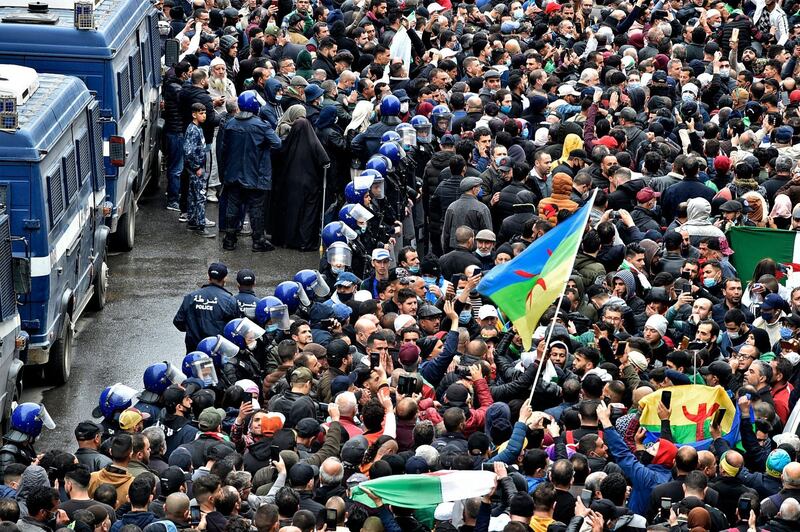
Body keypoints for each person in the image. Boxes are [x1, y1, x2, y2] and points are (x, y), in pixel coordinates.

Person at [219, 90, 282, 252]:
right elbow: (277, 143)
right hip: (255, 174)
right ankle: (258, 240)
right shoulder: (261, 125)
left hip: (233, 174)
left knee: (233, 206)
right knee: (256, 208)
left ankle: (230, 239)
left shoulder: (230, 124)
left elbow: (223, 149)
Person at [271, 113, 331, 251]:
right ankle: (305, 242)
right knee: (308, 214)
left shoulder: (288, 142)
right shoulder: (313, 142)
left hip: (290, 184)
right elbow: (325, 160)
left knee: (290, 212)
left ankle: (288, 240)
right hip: (310, 184)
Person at [173, 263, 240, 353]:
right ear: (225, 278)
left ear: (208, 276)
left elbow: (178, 322)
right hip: (218, 352)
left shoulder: (191, 297)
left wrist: (192, 328)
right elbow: (235, 328)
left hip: (194, 353)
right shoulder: (229, 300)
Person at [183, 102, 215, 238]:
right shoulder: (192, 130)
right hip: (196, 169)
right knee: (200, 197)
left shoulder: (198, 129)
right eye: (201, 113)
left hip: (196, 168)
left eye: (205, 113)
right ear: (194, 114)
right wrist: (196, 167)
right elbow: (188, 151)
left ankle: (193, 221)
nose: (204, 116)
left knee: (193, 196)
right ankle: (201, 226)